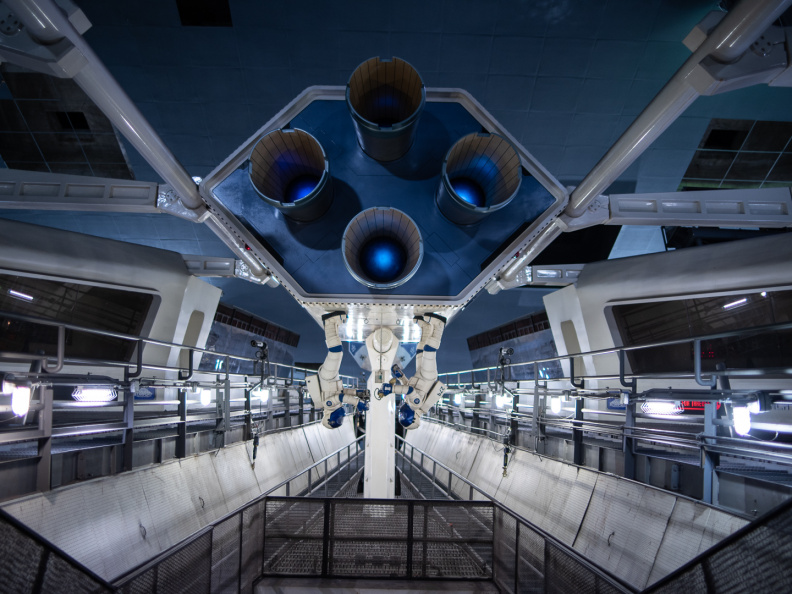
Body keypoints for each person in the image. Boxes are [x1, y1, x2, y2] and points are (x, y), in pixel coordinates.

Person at [380, 313, 446, 429]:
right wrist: (392, 389)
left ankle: (426, 327)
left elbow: (407, 386)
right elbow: (409, 390)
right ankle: (439, 325)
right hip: (427, 377)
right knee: (429, 351)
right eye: (403, 416)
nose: (402, 413)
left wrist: (401, 377)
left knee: (420, 350)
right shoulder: (416, 404)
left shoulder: (409, 403)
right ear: (413, 418)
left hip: (419, 376)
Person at [305, 312, 369, 429]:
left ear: (329, 418)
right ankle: (334, 325)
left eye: (338, 419)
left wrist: (357, 403)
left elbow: (341, 397)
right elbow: (342, 392)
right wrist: (357, 393)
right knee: (337, 351)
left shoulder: (329, 405)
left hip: (328, 377)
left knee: (336, 351)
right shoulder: (335, 406)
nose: (341, 416)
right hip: (331, 378)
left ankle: (329, 322)